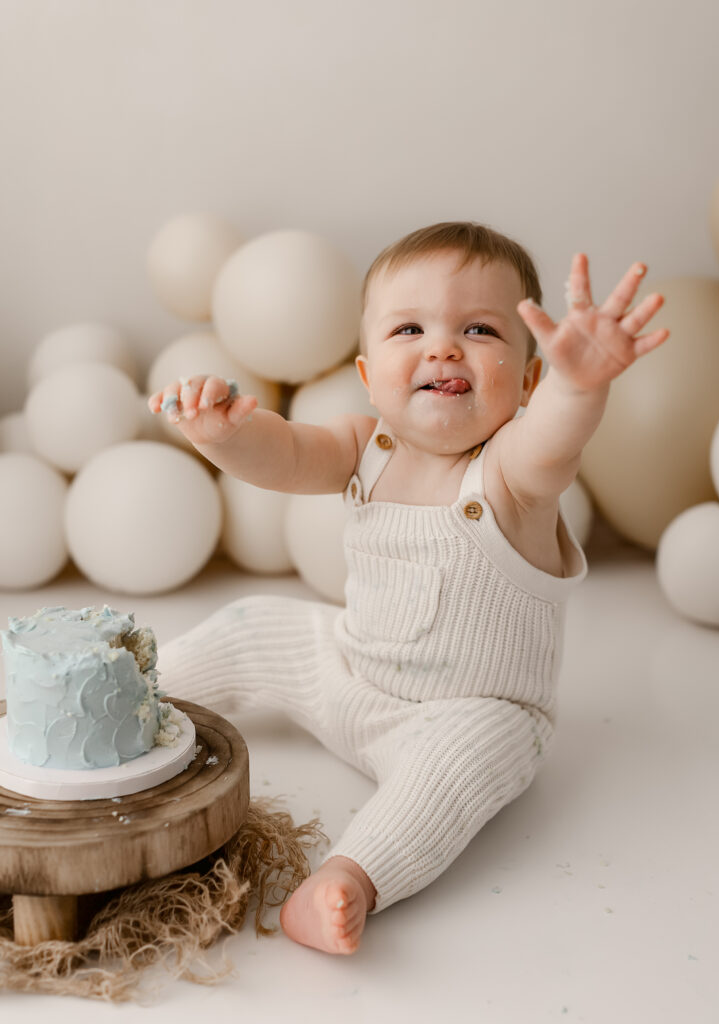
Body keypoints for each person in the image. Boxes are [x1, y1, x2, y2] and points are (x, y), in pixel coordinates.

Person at [148, 221, 668, 956]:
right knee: (253, 623)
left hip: (466, 713)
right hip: (351, 675)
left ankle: (349, 877)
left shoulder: (512, 474)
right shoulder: (365, 446)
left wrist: (578, 386)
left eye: (480, 329)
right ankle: (127, 698)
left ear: (526, 379)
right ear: (368, 375)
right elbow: (288, 456)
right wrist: (223, 434)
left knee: (453, 770)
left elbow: (555, 439)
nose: (442, 347)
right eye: (409, 328)